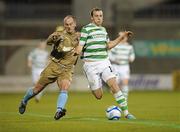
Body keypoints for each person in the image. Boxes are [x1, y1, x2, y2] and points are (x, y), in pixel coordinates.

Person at [75, 8, 136, 119]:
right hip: (90, 65)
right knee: (99, 96)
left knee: (114, 85)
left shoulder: (103, 30)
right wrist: (77, 50)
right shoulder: (86, 29)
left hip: (104, 62)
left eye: (101, 16)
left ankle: (127, 113)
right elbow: (80, 46)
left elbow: (108, 45)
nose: (99, 18)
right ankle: (94, 83)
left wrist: (121, 37)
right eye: (97, 16)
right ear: (92, 18)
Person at [19, 15, 79, 120]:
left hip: (67, 69)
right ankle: (24, 100)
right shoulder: (59, 35)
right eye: (66, 24)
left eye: (70, 24)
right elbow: (49, 41)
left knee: (64, 87)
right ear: (64, 25)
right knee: (36, 90)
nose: (69, 26)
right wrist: (54, 38)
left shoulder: (80, 36)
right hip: (54, 66)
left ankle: (59, 111)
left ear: (75, 24)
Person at [109, 32, 135, 103]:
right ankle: (118, 98)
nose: (123, 38)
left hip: (125, 66)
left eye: (124, 37)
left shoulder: (129, 47)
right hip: (115, 66)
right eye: (121, 37)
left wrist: (131, 58)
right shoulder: (115, 46)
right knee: (115, 85)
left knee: (125, 83)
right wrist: (115, 59)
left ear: (127, 38)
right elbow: (110, 54)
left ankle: (124, 101)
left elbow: (132, 56)